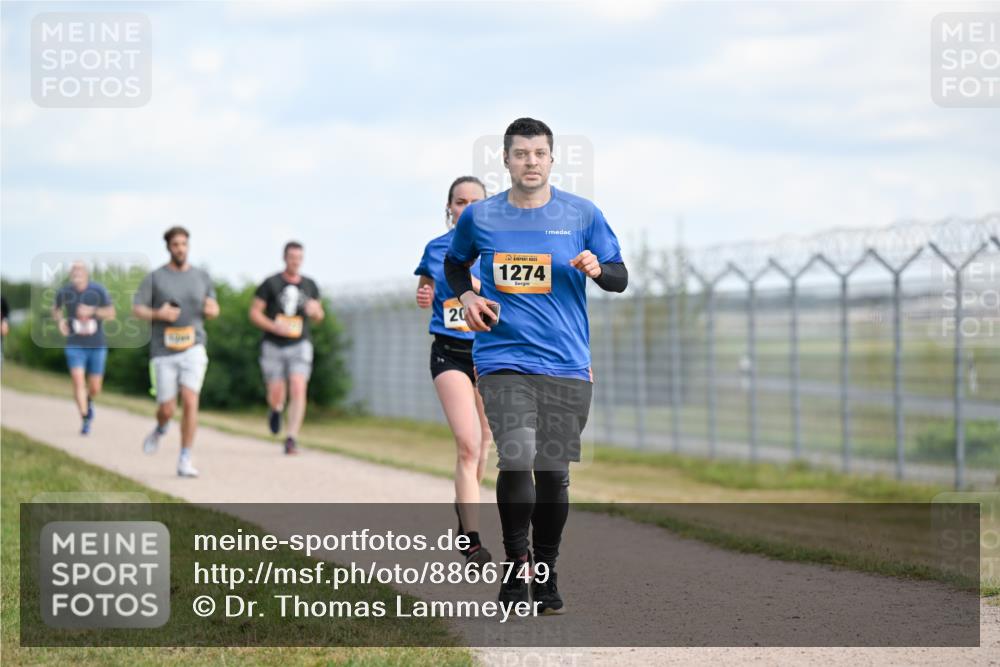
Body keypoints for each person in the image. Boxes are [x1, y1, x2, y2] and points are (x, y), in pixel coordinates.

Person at [445, 118, 628, 614]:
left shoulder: (582, 215)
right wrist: (467, 297)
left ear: (551, 160)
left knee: (553, 474)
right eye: (521, 154)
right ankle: (514, 564)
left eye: (539, 153)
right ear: (506, 160)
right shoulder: (480, 216)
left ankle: (544, 573)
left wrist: (598, 268)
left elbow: (619, 277)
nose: (530, 161)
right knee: (517, 455)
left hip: (567, 363)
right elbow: (455, 263)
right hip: (503, 358)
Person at [415, 176, 494, 567]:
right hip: (450, 353)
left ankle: (465, 513)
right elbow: (426, 289)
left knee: (483, 446)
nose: (466, 208)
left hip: (492, 355)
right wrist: (423, 294)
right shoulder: (435, 248)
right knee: (468, 442)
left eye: (474, 201)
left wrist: (479, 285)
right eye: (460, 202)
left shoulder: (498, 249)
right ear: (450, 208)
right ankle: (473, 541)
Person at [132, 226, 219, 477]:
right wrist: (158, 314)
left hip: (194, 345)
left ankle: (185, 458)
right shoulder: (156, 277)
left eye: (184, 244)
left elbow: (212, 305)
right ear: (168, 247)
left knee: (191, 400)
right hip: (164, 349)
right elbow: (137, 309)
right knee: (167, 409)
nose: (180, 248)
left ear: (188, 246)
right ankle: (161, 428)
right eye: (175, 244)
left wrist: (213, 310)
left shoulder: (202, 276)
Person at [249, 241, 324, 455]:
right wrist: (273, 326)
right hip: (273, 344)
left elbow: (320, 316)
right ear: (285, 258)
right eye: (292, 257)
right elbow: (254, 313)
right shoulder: (270, 283)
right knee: (276, 392)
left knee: (299, 386)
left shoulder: (310, 285)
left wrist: (315, 311)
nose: (295, 262)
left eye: (299, 258)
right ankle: (276, 409)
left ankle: (291, 438)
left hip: (300, 343)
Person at [52, 262, 115, 434]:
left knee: (95, 387)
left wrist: (92, 312)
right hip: (75, 344)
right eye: (74, 270)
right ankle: (85, 418)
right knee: (78, 381)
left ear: (86, 273)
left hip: (97, 345)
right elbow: (56, 310)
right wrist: (60, 322)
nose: (77, 273)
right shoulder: (65, 291)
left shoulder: (98, 290)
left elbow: (111, 313)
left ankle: (89, 400)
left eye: (80, 270)